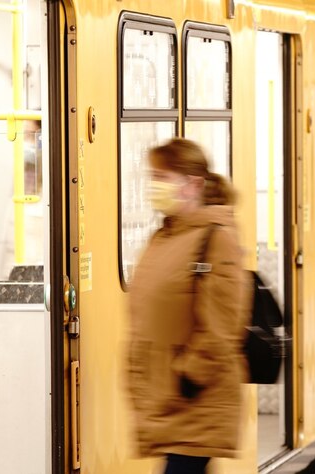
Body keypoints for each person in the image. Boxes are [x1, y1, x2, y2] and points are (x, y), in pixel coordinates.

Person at [126, 138, 248, 474]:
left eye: (162, 177)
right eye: (153, 176)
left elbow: (224, 323)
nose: (154, 186)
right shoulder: (165, 236)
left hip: (196, 397)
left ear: (193, 185)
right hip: (168, 396)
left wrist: (190, 375)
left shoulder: (216, 238)